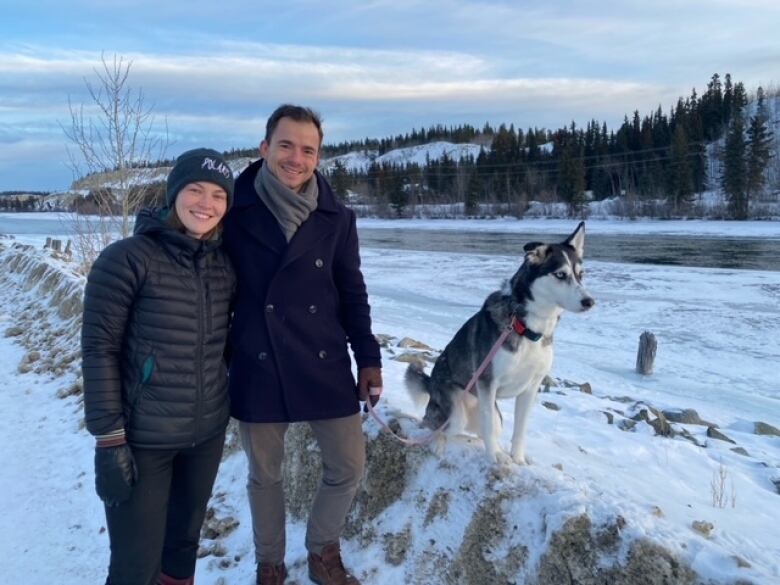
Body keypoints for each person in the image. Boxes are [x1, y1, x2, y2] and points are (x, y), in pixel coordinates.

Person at [222, 104, 383, 585]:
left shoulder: (338, 217)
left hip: (323, 357)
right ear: (265, 147)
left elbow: (352, 292)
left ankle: (322, 551)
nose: (296, 158)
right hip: (257, 358)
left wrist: (369, 358)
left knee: (348, 466)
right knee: (265, 476)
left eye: (308, 149)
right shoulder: (233, 207)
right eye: (286, 145)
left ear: (318, 157)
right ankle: (269, 563)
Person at [81, 148, 236, 585]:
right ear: (173, 195)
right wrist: (109, 440)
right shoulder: (127, 259)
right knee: (135, 563)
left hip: (205, 434)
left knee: (182, 550)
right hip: (143, 439)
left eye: (218, 196)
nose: (206, 203)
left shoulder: (224, 265)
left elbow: (224, 344)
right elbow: (98, 350)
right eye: (194, 190)